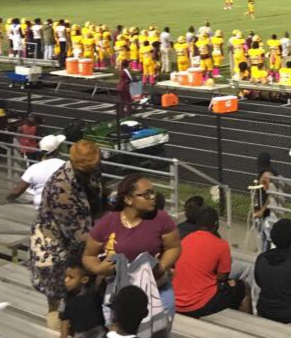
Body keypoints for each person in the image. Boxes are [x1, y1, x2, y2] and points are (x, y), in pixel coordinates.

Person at [83, 174, 181, 321]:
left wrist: (162, 266)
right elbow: (88, 256)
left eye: (153, 192)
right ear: (128, 199)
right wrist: (98, 268)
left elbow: (174, 247)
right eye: (146, 194)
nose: (153, 197)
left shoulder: (162, 219)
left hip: (156, 292)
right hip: (119, 296)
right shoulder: (107, 223)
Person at [30, 140, 105, 330]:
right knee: (60, 301)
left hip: (83, 234)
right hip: (55, 245)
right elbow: (78, 236)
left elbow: (98, 196)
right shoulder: (61, 187)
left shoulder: (91, 170)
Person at [174, 207, 250, 317]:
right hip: (199, 304)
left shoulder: (185, 240)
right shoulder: (221, 245)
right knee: (243, 286)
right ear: (216, 224)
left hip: (177, 301)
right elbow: (222, 278)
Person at [4, 133, 66, 207]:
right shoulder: (66, 166)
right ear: (57, 150)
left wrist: (5, 199)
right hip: (63, 207)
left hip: (42, 209)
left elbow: (17, 191)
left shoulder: (34, 168)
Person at [58, 257, 105, 338]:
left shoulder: (94, 292)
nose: (66, 280)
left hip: (98, 331)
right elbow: (64, 317)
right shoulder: (67, 297)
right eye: (65, 276)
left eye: (71, 277)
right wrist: (63, 335)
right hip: (79, 333)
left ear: (84, 280)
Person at [252, 152, 280, 253]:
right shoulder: (265, 173)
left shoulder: (267, 175)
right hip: (264, 211)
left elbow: (271, 195)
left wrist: (262, 210)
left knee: (267, 238)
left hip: (268, 213)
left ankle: (265, 258)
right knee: (263, 235)